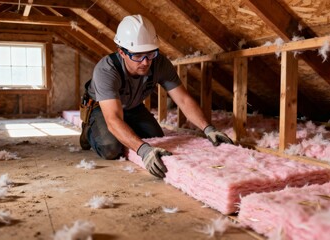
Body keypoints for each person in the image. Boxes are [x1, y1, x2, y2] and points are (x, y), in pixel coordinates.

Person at [80, 15, 233, 178]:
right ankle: (88, 132)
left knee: (156, 138)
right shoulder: (106, 71)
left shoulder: (160, 63)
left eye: (150, 54)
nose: (145, 62)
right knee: (111, 148)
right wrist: (143, 151)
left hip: (132, 105)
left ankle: (128, 128)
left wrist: (208, 129)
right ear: (122, 52)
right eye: (137, 56)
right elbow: (113, 119)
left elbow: (183, 99)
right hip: (102, 108)